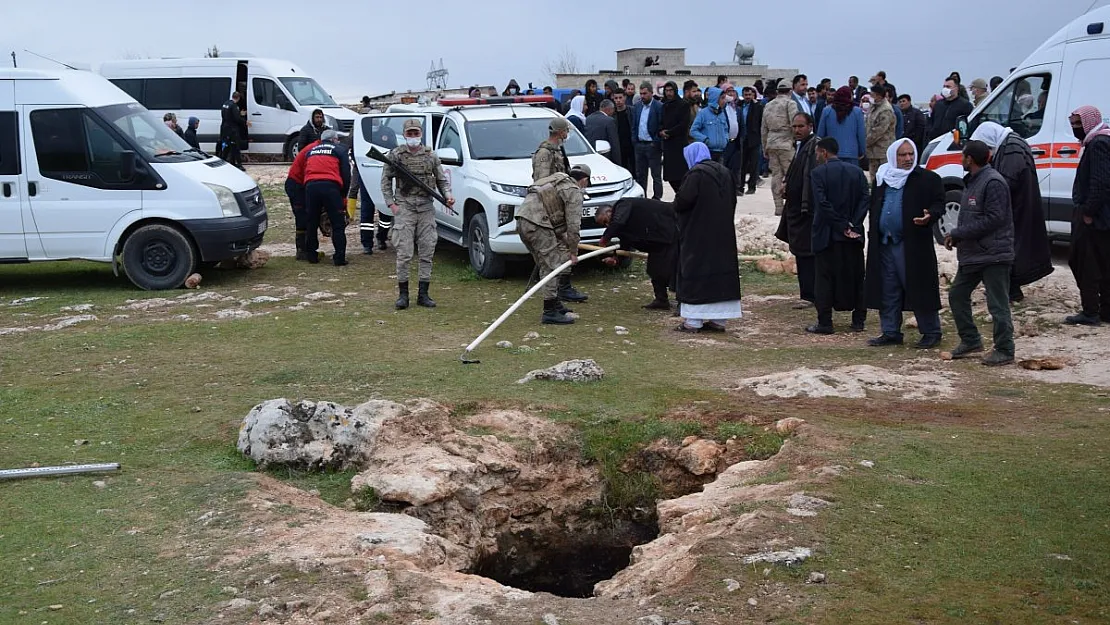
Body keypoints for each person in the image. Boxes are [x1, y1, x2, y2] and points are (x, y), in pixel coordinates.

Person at [865, 138, 946, 348]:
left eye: (911, 154)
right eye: (902, 155)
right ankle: (890, 331)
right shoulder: (883, 177)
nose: (908, 158)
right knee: (888, 288)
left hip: (912, 245)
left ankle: (931, 331)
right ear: (894, 157)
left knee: (918, 286)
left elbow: (939, 203)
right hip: (885, 244)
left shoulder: (927, 179)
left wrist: (930, 216)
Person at [945, 140, 1015, 366]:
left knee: (997, 304)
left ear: (970, 159)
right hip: (974, 254)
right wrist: (959, 237)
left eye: (962, 156)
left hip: (994, 254)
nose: (960, 160)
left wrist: (959, 232)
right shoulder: (973, 181)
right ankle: (971, 340)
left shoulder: (993, 182)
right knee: (957, 295)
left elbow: (995, 218)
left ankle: (1005, 349)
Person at [969, 122, 1054, 302]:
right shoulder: (1011, 142)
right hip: (1019, 205)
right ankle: (1007, 288)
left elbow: (1006, 181)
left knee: (1011, 249)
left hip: (1017, 207)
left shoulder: (1012, 147)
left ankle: (1009, 290)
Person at [381, 119, 455, 309]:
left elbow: (442, 180)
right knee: (404, 252)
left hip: (425, 207)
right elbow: (385, 181)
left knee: (427, 250)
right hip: (405, 207)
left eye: (416, 133)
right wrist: (392, 205)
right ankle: (403, 295)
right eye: (410, 133)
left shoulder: (431, 156)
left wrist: (448, 196)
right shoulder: (395, 156)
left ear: (420, 134)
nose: (413, 137)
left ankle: (423, 294)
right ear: (404, 135)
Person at [674, 143, 742, 333]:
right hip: (723, 233)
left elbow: (683, 201)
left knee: (696, 271)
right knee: (722, 272)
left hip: (699, 234)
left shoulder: (696, 174)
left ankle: (693, 321)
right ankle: (719, 321)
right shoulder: (725, 172)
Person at [807, 137, 869, 334]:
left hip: (828, 235)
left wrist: (841, 225)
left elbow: (822, 204)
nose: (817, 157)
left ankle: (825, 322)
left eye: (818, 153)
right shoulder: (857, 172)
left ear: (824, 152)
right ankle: (858, 320)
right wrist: (853, 224)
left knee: (824, 279)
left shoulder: (818, 174)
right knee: (857, 277)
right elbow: (864, 199)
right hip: (853, 235)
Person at [516, 165, 592, 324]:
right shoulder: (574, 191)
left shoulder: (555, 180)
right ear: (584, 180)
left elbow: (555, 219)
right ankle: (549, 311)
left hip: (523, 220)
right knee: (552, 267)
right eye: (586, 183)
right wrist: (573, 252)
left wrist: (566, 242)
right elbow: (573, 226)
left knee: (546, 263)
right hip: (538, 225)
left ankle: (555, 303)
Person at [1065, 105, 1110, 326]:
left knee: (1085, 263)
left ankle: (1091, 311)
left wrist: (1089, 212)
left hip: (1095, 216)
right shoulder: (1098, 141)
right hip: (1100, 215)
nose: (1075, 129)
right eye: (1073, 125)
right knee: (1102, 263)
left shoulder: (1099, 144)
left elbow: (1100, 183)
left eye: (1078, 125)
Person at [596, 199, 678, 309]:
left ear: (609, 211)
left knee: (672, 271)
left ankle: (684, 303)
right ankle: (661, 300)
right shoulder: (621, 228)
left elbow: (618, 221)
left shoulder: (623, 205)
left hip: (671, 232)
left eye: (606, 221)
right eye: (604, 225)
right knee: (654, 271)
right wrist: (616, 260)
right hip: (658, 242)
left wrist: (605, 238)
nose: (607, 225)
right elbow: (625, 245)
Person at [775, 112, 821, 307]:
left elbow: (812, 179)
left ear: (810, 126)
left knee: (808, 254)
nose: (797, 130)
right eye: (794, 127)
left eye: (801, 126)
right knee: (802, 253)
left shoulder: (814, 147)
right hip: (796, 209)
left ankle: (811, 296)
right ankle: (808, 293)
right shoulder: (802, 146)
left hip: (807, 211)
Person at [303, 130, 351, 267]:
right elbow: (346, 174)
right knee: (337, 224)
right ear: (334, 139)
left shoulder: (310, 151)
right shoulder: (339, 150)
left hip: (311, 187)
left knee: (311, 222)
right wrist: (343, 195)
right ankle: (339, 257)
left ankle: (311, 255)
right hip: (331, 187)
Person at [762, 82, 799, 216]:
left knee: (776, 175)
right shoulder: (791, 104)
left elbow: (763, 129)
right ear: (790, 91)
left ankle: (778, 206)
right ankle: (790, 204)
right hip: (786, 142)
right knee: (791, 175)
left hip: (771, 142)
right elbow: (795, 124)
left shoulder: (768, 105)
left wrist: (764, 147)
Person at [284, 137, 320, 261]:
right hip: (296, 185)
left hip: (302, 184)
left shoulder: (315, 148)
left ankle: (306, 248)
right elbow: (308, 173)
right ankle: (302, 250)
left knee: (307, 216)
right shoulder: (312, 150)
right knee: (302, 218)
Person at [631, 81, 664, 200]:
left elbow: (661, 125)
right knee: (641, 175)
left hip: (652, 146)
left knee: (656, 175)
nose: (643, 96)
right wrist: (634, 140)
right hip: (639, 145)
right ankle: (642, 198)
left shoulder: (658, 106)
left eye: (645, 93)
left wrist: (655, 141)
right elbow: (634, 125)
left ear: (651, 93)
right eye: (641, 94)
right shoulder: (637, 107)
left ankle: (657, 198)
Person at [817, 86, 866, 167]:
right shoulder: (857, 112)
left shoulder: (827, 111)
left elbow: (820, 134)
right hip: (852, 154)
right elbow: (861, 135)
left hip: (830, 154)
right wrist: (862, 152)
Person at [660, 81, 691, 193]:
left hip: (679, 144)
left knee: (681, 175)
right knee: (671, 176)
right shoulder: (664, 106)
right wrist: (661, 132)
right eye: (666, 91)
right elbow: (661, 122)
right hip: (668, 145)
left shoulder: (683, 105)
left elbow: (683, 124)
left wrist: (669, 132)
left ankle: (683, 197)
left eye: (671, 90)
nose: (668, 93)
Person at [865, 83, 897, 179]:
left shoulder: (886, 110)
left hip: (882, 152)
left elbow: (878, 132)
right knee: (874, 179)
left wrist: (864, 142)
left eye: (872, 94)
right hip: (873, 152)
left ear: (878, 96)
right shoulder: (873, 107)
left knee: (883, 178)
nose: (870, 97)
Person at [690, 87, 730, 162]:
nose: (724, 101)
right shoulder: (703, 113)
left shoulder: (722, 114)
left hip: (721, 152)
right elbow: (693, 131)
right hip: (707, 151)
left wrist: (726, 139)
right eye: (722, 98)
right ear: (715, 99)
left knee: (719, 173)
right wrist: (705, 139)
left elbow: (726, 129)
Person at [739, 86, 764, 195]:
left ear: (753, 95)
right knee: (742, 164)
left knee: (754, 165)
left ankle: (752, 186)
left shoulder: (758, 107)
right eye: (746, 95)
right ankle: (740, 186)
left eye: (750, 95)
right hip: (741, 139)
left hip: (754, 139)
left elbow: (761, 123)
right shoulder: (739, 105)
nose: (748, 97)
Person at [721, 85, 744, 194]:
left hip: (736, 142)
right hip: (725, 143)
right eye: (728, 92)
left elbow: (742, 126)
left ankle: (735, 188)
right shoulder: (721, 108)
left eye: (733, 92)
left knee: (735, 167)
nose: (731, 94)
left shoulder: (738, 109)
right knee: (724, 167)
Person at [585, 99, 622, 166]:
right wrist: (618, 163)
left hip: (590, 155)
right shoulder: (610, 121)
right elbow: (614, 143)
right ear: (609, 109)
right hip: (605, 156)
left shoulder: (588, 118)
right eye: (613, 109)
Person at [219, 91, 247, 168]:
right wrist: (245, 121)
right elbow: (237, 118)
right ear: (238, 98)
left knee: (226, 146)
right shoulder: (234, 106)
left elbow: (225, 115)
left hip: (225, 128)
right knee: (235, 146)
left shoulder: (226, 103)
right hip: (232, 129)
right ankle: (239, 164)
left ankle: (225, 162)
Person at [611, 92, 636, 173]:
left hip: (632, 145)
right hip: (619, 146)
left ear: (625, 98)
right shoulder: (612, 114)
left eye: (620, 97)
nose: (618, 100)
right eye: (616, 98)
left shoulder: (632, 111)